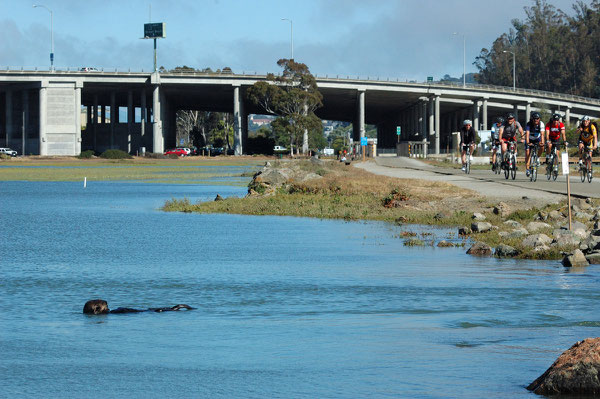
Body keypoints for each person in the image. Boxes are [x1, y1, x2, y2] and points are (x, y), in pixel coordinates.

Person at [524, 112, 545, 176]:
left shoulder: (541, 124)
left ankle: (537, 157)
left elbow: (542, 135)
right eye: (534, 119)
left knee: (542, 147)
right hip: (529, 139)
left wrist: (542, 143)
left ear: (539, 119)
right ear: (532, 119)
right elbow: (527, 135)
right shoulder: (529, 124)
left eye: (537, 119)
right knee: (527, 153)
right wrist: (528, 143)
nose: (536, 120)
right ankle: (527, 169)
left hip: (537, 139)